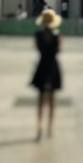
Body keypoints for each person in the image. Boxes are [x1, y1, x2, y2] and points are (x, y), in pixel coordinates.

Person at [31, 9, 63, 141]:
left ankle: (39, 127)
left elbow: (37, 48)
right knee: (51, 100)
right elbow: (59, 50)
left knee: (40, 99)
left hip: (42, 65)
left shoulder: (37, 35)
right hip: (53, 67)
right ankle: (50, 127)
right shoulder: (57, 35)